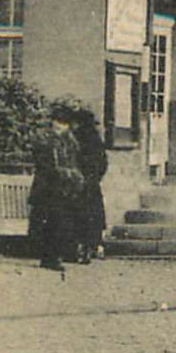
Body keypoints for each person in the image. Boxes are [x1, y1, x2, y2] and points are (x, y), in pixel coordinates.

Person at [29, 103, 86, 272]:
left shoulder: (70, 142)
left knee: (61, 223)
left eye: (62, 123)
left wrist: (72, 176)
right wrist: (66, 174)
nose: (58, 126)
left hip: (63, 189)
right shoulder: (46, 140)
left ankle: (55, 255)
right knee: (51, 223)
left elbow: (75, 162)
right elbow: (45, 166)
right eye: (56, 122)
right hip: (48, 188)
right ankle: (50, 257)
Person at [70, 110, 108, 264]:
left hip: (78, 184)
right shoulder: (96, 140)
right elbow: (103, 163)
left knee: (78, 216)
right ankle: (92, 247)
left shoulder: (76, 138)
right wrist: (96, 177)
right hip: (92, 184)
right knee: (93, 216)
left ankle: (79, 249)